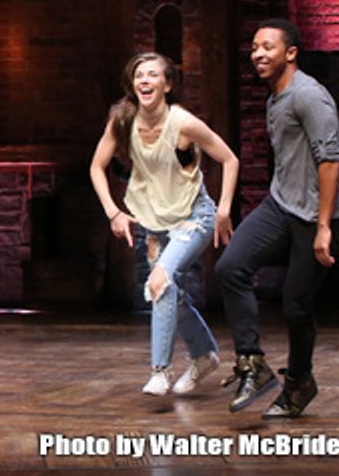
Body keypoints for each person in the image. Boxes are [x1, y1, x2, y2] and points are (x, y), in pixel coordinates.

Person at [216, 18, 339, 418]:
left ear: (290, 53)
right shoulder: (275, 96)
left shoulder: (310, 96)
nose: (258, 54)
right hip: (281, 204)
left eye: (268, 47)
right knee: (231, 267)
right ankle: (252, 364)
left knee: (295, 304)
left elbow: (330, 160)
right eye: (254, 47)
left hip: (319, 215)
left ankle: (299, 382)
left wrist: (324, 226)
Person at [90, 52, 240, 396]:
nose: (145, 80)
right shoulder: (122, 122)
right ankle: (204, 355)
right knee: (166, 291)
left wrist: (223, 210)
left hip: (194, 216)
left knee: (158, 281)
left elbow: (229, 159)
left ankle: (160, 371)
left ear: (167, 84)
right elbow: (96, 166)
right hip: (155, 222)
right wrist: (113, 212)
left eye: (153, 75)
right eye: (139, 75)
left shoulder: (182, 122)